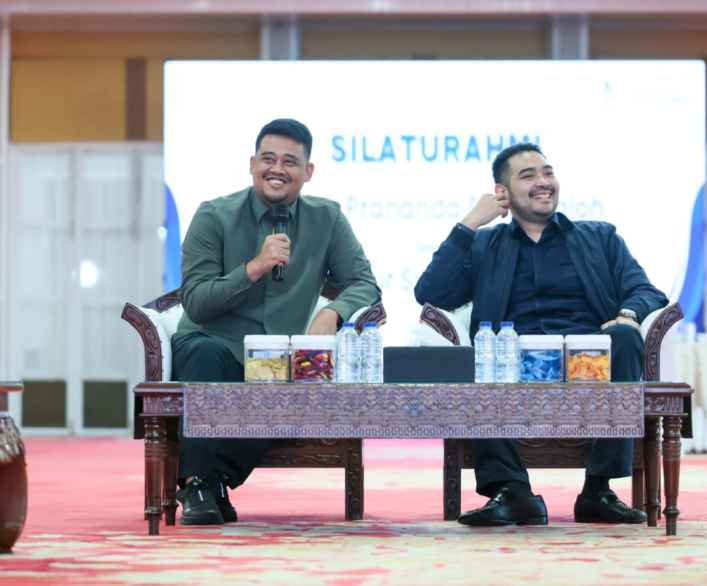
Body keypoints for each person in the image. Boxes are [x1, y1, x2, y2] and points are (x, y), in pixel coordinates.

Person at [414, 143, 668, 526]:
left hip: (586, 359)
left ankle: (598, 491)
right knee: (478, 357)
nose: (543, 182)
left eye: (548, 172)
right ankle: (514, 492)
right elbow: (431, 292)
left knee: (625, 339)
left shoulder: (599, 237)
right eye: (528, 175)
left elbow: (645, 291)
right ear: (502, 192)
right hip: (510, 362)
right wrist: (469, 224)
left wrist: (628, 315)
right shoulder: (485, 245)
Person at [172, 118, 380, 525]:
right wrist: (254, 268)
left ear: (308, 171)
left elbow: (364, 284)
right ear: (252, 164)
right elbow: (195, 302)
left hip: (277, 358)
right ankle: (197, 483)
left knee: (290, 385)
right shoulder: (214, 216)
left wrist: (332, 312)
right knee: (205, 355)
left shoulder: (327, 218)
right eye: (268, 159)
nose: (277, 169)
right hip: (212, 345)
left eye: (290, 162)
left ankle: (212, 481)